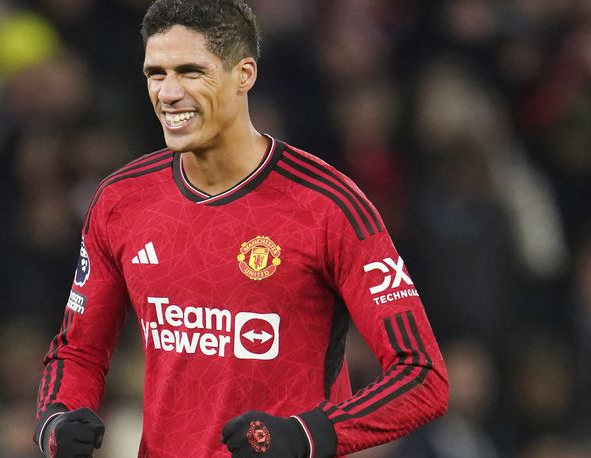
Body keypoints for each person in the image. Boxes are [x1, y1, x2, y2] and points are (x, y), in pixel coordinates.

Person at [33, 1, 449, 457]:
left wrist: (305, 434)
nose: (168, 93)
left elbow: (421, 375)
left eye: (191, 72)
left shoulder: (328, 206)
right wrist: (56, 420)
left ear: (244, 74)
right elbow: (78, 351)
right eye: (156, 73)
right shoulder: (122, 201)